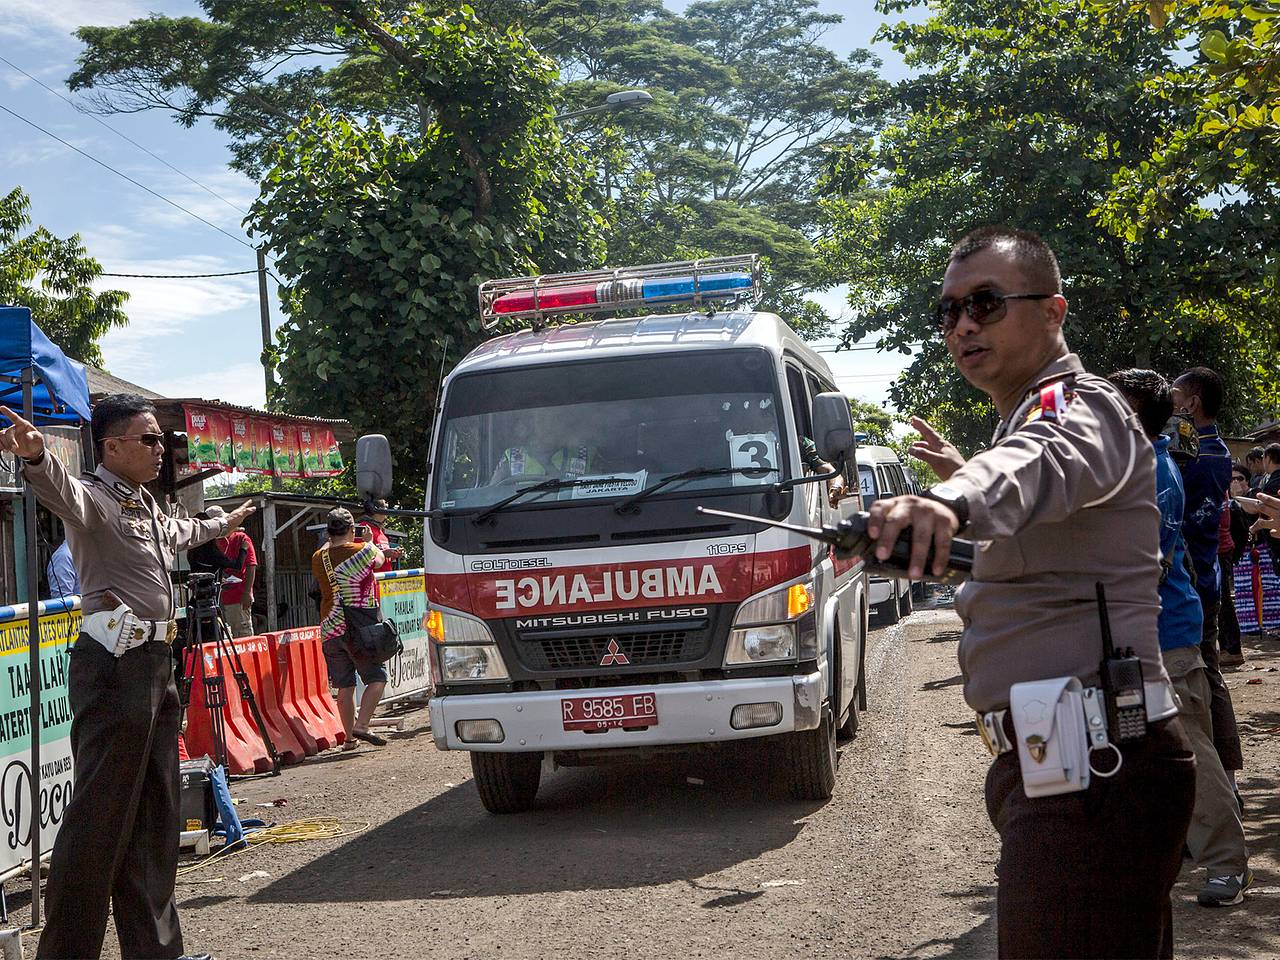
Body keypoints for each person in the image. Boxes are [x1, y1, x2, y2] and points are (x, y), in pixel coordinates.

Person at [877, 226, 1194, 958]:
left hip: (1102, 765)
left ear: (1053, 311)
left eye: (985, 303)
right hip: (1070, 762)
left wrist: (950, 498)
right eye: (948, 311)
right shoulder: (1022, 416)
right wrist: (931, 544)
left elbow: (1040, 459)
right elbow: (1033, 558)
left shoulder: (1077, 406)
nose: (961, 325)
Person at [0, 394, 254, 960]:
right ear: (112, 447)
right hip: (114, 668)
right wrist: (38, 456)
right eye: (149, 439)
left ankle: (157, 951)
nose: (161, 449)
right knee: (100, 817)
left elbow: (182, 531)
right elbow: (60, 491)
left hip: (155, 665)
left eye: (161, 439)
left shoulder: (143, 506)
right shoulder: (95, 498)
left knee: (155, 815)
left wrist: (224, 521)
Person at [1109, 369, 1252, 907]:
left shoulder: (1149, 472)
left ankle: (1226, 864)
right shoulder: (1137, 464)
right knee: (1134, 749)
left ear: (1132, 416)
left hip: (1163, 639)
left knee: (1188, 749)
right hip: (1135, 638)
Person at [1170, 368, 1245, 796]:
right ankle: (1227, 781)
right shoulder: (1212, 451)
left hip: (1191, 582)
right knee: (1209, 675)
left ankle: (1217, 785)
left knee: (1198, 680)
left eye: (1175, 395)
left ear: (1191, 403)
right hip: (1205, 578)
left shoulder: (1192, 455)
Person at [311, 507, 388, 749]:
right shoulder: (363, 551)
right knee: (377, 677)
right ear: (352, 529)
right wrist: (369, 541)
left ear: (328, 532)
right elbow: (380, 559)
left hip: (331, 628)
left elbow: (328, 551)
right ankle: (362, 724)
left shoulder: (318, 557)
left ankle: (349, 739)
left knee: (344, 686)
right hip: (359, 628)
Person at [1218, 464, 1253, 666]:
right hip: (1224, 554)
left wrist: (1232, 557)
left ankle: (1230, 648)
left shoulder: (1227, 502)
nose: (1235, 482)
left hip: (1220, 553)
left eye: (1239, 478)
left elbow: (1241, 535)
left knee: (1222, 602)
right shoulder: (1225, 498)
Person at [216, 512, 257, 638]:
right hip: (220, 598)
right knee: (225, 638)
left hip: (238, 597)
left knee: (242, 635)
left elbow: (251, 565)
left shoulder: (241, 538)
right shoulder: (213, 542)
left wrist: (247, 593)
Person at [361, 498, 404, 575]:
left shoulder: (380, 530)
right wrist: (383, 553)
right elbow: (361, 558)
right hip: (373, 580)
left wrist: (394, 554)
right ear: (376, 510)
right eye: (385, 508)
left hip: (384, 580)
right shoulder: (365, 529)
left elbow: (385, 557)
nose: (387, 511)